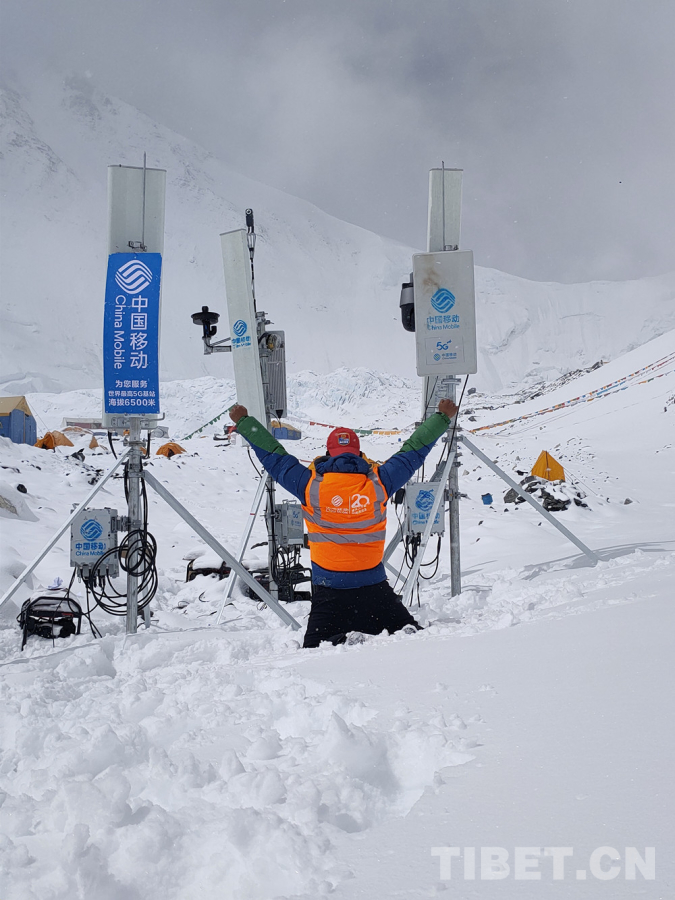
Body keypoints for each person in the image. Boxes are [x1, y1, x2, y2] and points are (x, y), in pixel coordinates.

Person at [229, 398, 458, 647]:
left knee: (315, 646)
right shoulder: (380, 482)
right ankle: (389, 630)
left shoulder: (309, 485)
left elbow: (274, 457)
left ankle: (343, 639)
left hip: (329, 589)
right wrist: (441, 417)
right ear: (359, 453)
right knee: (405, 630)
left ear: (328, 454)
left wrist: (244, 422)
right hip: (374, 586)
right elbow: (413, 451)